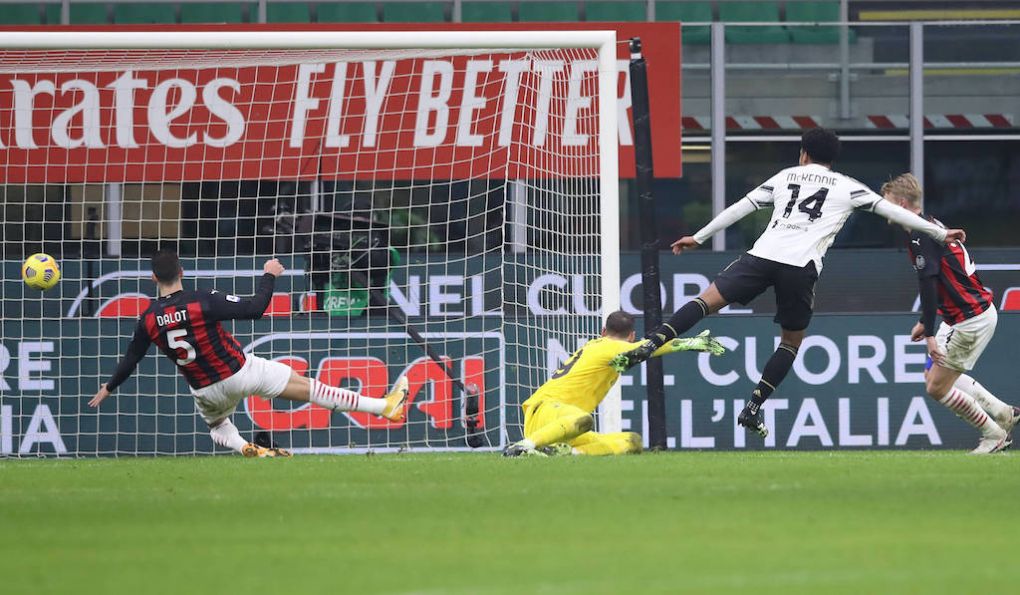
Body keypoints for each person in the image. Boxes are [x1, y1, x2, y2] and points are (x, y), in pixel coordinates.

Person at [610, 128, 966, 439]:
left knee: (706, 301)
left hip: (762, 256)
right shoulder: (848, 187)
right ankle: (754, 405)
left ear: (804, 154)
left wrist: (700, 237)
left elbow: (741, 207)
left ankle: (650, 341)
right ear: (831, 159)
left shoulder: (785, 177)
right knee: (792, 343)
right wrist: (940, 232)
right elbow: (896, 212)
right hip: (800, 268)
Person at [89, 250, 409, 457]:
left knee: (218, 427)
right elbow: (256, 309)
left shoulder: (148, 319)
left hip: (204, 389)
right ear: (181, 272)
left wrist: (109, 387)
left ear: (153, 278)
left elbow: (132, 358)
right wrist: (269, 274)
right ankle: (384, 406)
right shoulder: (201, 300)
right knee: (309, 388)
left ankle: (245, 446)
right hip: (240, 371)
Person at [882, 173, 1018, 454]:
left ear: (903, 204)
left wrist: (929, 333)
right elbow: (938, 280)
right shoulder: (931, 225)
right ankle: (1003, 413)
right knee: (933, 374)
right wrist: (925, 322)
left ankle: (994, 435)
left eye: (887, 205)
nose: (884, 212)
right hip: (965, 314)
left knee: (936, 388)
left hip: (969, 319)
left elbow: (929, 285)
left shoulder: (920, 235)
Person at [503, 310, 725, 457]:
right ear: (632, 336)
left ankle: (563, 453)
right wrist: (690, 343)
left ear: (603, 330)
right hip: (549, 411)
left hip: (559, 424)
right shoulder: (612, 346)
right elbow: (651, 347)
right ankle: (524, 446)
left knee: (632, 441)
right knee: (585, 419)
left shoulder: (596, 344)